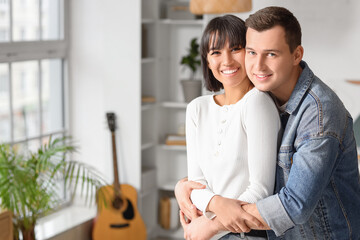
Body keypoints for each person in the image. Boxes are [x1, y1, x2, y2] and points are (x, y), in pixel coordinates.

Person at [176, 6, 360, 240]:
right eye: (252, 52)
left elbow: (293, 205)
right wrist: (184, 186)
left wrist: (213, 224)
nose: (258, 66)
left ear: (296, 55)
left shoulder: (319, 113)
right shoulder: (267, 93)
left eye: (271, 54)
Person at [181, 14, 281, 240]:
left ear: (250, 53)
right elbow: (195, 186)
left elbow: (260, 192)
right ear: (207, 61)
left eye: (236, 49)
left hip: (247, 234)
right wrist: (214, 204)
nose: (226, 61)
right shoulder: (197, 109)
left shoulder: (257, 102)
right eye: (216, 52)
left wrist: (210, 225)